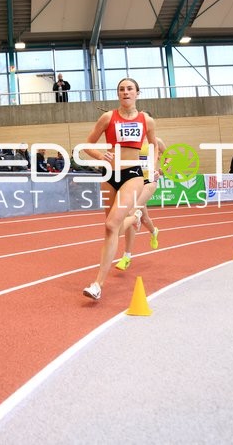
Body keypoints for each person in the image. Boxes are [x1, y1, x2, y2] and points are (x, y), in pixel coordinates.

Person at [82, 77, 156, 301]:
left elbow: (152, 147)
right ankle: (132, 219)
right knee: (110, 230)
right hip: (109, 175)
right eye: (122, 89)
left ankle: (97, 284)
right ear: (118, 94)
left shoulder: (147, 120)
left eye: (130, 88)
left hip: (133, 173)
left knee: (112, 223)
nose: (126, 92)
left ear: (137, 93)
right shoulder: (107, 117)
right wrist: (99, 155)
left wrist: (153, 169)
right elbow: (87, 145)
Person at [115, 136, 168, 270]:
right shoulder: (131, 141)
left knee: (131, 212)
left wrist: (161, 171)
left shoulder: (156, 141)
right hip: (134, 181)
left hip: (149, 182)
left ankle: (127, 257)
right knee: (144, 218)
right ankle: (154, 231)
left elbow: (169, 158)